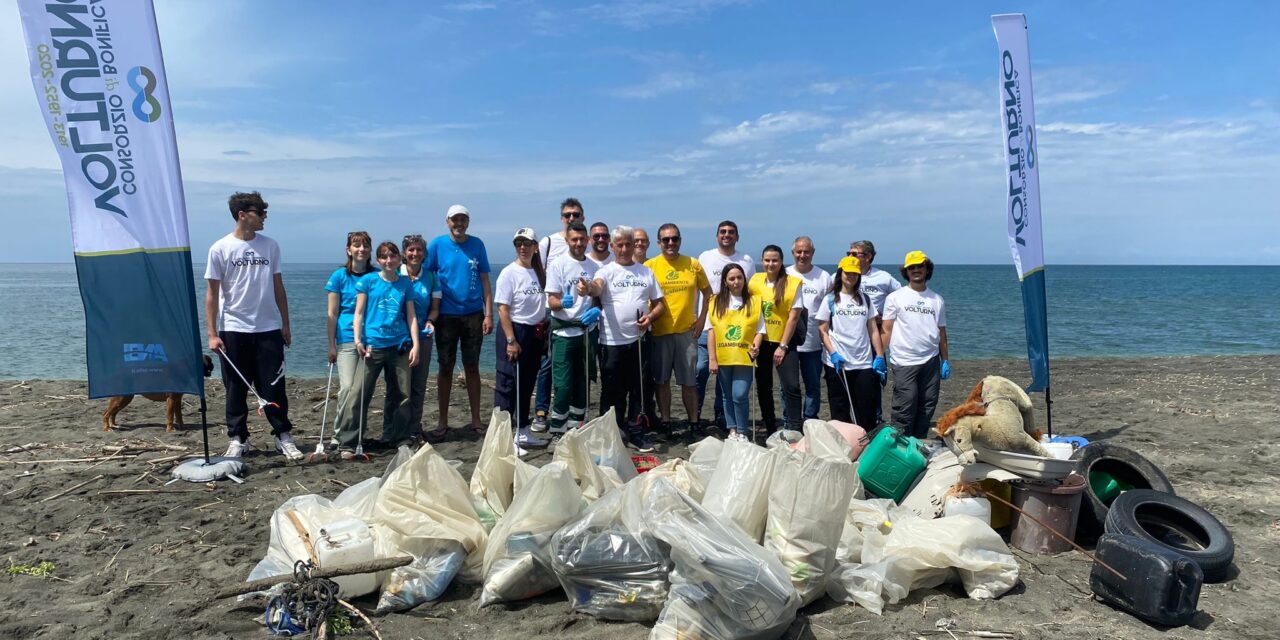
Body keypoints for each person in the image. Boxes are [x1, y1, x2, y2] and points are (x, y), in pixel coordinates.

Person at [205, 191, 301, 460]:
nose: (264, 218)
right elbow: (212, 294)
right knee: (235, 388)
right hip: (233, 328)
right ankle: (238, 438)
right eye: (260, 213)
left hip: (268, 328)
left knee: (273, 386)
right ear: (242, 215)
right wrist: (212, 334)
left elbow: (278, 286)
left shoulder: (270, 246)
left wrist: (285, 324)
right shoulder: (220, 248)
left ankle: (283, 436)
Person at [589, 225, 665, 453]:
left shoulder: (645, 272)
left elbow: (660, 303)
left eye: (628, 244)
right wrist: (587, 288)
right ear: (612, 247)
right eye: (619, 245)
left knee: (639, 388)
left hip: (639, 341)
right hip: (612, 342)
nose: (623, 249)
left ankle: (636, 432)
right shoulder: (606, 271)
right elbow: (596, 288)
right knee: (612, 389)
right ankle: (611, 432)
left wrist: (650, 317)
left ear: (634, 246)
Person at [424, 204, 492, 439]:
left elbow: (485, 281)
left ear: (468, 222)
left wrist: (489, 314)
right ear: (447, 222)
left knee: (472, 367)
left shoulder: (477, 245)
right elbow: (426, 277)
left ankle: (476, 420)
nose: (459, 224)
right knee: (445, 368)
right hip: (445, 315)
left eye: (463, 220)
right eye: (455, 220)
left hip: (474, 314)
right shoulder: (436, 245)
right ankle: (442, 422)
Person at [351, 242, 421, 454]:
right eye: (384, 257)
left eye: (392, 256)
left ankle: (398, 437)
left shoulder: (405, 284)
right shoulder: (368, 281)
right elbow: (359, 313)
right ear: (378, 260)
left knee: (402, 394)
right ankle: (350, 440)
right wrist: (357, 340)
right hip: (374, 346)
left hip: (399, 345)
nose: (389, 261)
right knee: (359, 393)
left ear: (399, 259)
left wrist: (416, 344)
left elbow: (411, 316)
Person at [644, 223, 711, 436]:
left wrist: (702, 320)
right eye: (666, 240)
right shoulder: (650, 266)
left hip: (687, 333)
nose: (670, 243)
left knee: (689, 382)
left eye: (674, 238)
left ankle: (693, 421)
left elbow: (709, 294)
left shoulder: (693, 264)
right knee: (662, 381)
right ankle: (665, 421)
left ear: (680, 240)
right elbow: (642, 296)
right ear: (659, 243)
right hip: (659, 333)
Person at [882, 251, 950, 440]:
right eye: (911, 268)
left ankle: (917, 442)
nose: (916, 270)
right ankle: (898, 444)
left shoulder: (937, 299)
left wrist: (945, 360)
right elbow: (886, 329)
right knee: (906, 405)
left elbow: (941, 332)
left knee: (927, 405)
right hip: (904, 360)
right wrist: (879, 356)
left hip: (931, 360)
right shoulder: (896, 297)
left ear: (927, 269)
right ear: (906, 272)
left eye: (920, 266)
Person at [494, 228, 552, 449]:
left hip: (534, 334)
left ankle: (522, 430)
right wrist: (511, 340)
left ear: (535, 247)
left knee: (526, 384)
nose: (522, 247)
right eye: (518, 243)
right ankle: (503, 439)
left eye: (527, 243)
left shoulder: (538, 272)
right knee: (508, 386)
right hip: (515, 332)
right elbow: (502, 309)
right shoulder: (509, 273)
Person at [695, 220, 756, 432]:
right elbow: (699, 290)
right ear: (716, 236)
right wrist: (700, 319)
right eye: (722, 232)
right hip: (710, 325)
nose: (726, 235)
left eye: (731, 232)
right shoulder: (705, 257)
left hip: (737, 332)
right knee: (702, 369)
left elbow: (752, 292)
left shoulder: (746, 260)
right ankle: (696, 417)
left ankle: (724, 418)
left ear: (737, 236)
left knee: (729, 381)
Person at [531, 197, 585, 432]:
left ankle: (573, 417)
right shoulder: (549, 242)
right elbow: (537, 269)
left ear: (582, 217)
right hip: (551, 308)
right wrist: (552, 300)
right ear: (561, 218)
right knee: (549, 363)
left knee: (577, 368)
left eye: (575, 214)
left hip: (581, 316)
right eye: (567, 215)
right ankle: (542, 411)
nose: (571, 218)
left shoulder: (586, 243)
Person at [816, 256, 887, 429]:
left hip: (863, 362)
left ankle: (866, 444)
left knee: (866, 409)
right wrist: (833, 353)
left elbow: (873, 329)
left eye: (855, 273)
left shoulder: (865, 299)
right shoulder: (830, 300)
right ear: (841, 273)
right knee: (840, 409)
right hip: (838, 364)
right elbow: (822, 331)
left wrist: (879, 356)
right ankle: (844, 446)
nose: (851, 277)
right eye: (847, 273)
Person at [544, 221, 601, 432]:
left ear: (587, 240)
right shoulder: (558, 265)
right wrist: (561, 303)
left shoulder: (594, 267)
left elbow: (598, 297)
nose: (578, 243)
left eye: (581, 239)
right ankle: (558, 428)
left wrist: (597, 310)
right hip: (564, 332)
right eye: (573, 239)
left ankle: (575, 426)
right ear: (567, 240)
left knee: (582, 381)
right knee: (562, 384)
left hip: (587, 332)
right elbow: (551, 301)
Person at [385, 233, 439, 443]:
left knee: (418, 384)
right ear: (404, 253)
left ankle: (414, 428)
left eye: (419, 250)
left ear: (424, 254)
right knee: (396, 386)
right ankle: (390, 430)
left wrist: (430, 321)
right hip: (397, 338)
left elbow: (435, 309)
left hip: (423, 338)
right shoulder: (394, 274)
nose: (415, 254)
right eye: (411, 250)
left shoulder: (432, 277)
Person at [325, 231, 373, 453]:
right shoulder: (339, 276)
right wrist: (331, 345)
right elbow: (332, 314)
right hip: (345, 339)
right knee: (346, 388)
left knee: (361, 391)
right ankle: (338, 434)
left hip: (371, 339)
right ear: (349, 250)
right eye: (356, 245)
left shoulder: (376, 275)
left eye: (365, 245)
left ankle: (355, 433)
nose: (361, 249)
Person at [706, 263, 765, 442]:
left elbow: (760, 329)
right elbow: (711, 331)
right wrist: (712, 359)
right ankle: (732, 429)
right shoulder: (715, 302)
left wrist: (756, 346)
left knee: (739, 394)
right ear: (725, 281)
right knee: (727, 395)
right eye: (732, 278)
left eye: (739, 278)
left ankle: (742, 430)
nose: (736, 281)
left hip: (744, 357)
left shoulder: (753, 301)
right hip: (723, 357)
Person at [748, 244, 803, 433]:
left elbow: (793, 317)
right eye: (767, 260)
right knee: (764, 386)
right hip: (761, 342)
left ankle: (796, 427)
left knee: (792, 386)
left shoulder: (793, 283)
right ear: (762, 261)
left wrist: (783, 346)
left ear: (781, 262)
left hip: (784, 342)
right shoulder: (755, 281)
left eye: (775, 260)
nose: (771, 264)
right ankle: (770, 425)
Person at [785, 236, 833, 424]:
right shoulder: (785, 274)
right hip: (788, 342)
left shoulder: (824, 277)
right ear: (793, 253)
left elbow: (830, 310)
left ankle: (810, 419)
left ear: (812, 253)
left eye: (806, 252)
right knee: (789, 386)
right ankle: (790, 420)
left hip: (814, 342)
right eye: (799, 251)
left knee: (813, 385)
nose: (802, 255)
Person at [632, 227, 660, 431]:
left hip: (650, 329)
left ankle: (648, 412)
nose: (640, 244)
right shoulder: (621, 266)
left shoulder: (652, 267)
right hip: (622, 334)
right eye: (636, 241)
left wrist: (650, 318)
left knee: (648, 375)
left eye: (644, 241)